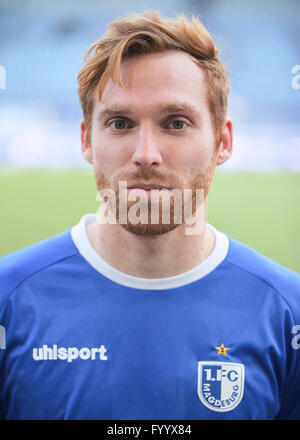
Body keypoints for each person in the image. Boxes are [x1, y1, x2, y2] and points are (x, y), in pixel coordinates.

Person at [0, 10, 300, 421]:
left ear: (223, 141)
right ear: (87, 139)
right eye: (120, 123)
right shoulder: (8, 301)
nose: (145, 154)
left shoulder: (289, 314)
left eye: (175, 123)